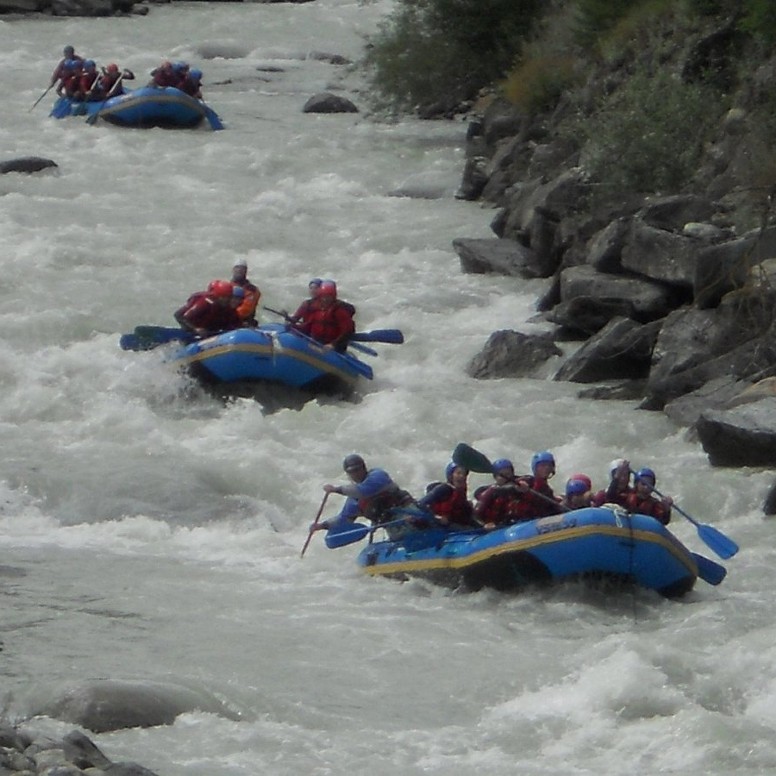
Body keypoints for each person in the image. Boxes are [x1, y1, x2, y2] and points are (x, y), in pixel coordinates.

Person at [311, 455, 417, 538]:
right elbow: (343, 520)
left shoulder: (378, 476)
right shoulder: (354, 500)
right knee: (397, 534)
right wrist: (321, 526)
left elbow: (365, 490)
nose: (356, 474)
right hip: (393, 526)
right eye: (352, 472)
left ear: (364, 468)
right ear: (348, 474)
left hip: (408, 510)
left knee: (416, 519)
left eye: (357, 470)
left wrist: (336, 489)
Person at [294, 280, 355, 351]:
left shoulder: (339, 310)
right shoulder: (315, 307)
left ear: (333, 296)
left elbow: (347, 331)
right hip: (317, 342)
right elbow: (308, 325)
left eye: (328, 296)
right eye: (323, 296)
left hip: (333, 346)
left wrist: (333, 344)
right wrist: (295, 327)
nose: (325, 299)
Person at [173, 279, 243, 337]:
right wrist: (195, 329)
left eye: (229, 297)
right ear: (218, 296)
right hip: (193, 332)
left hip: (211, 332)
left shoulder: (228, 308)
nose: (227, 300)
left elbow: (236, 324)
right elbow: (179, 315)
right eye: (224, 297)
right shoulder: (205, 302)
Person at [417, 462, 476, 530]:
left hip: (452, 523)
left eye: (464, 474)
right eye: (458, 473)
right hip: (436, 524)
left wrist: (483, 527)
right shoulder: (444, 489)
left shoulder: (461, 492)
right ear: (451, 475)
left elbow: (465, 516)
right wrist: (436, 517)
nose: (462, 476)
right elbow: (420, 504)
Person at [510, 451, 564, 520]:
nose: (547, 468)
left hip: (538, 520)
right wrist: (516, 488)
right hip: (522, 521)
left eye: (549, 465)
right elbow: (509, 488)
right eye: (543, 465)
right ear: (535, 468)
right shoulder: (528, 481)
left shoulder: (547, 490)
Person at [473, 458, 525, 529]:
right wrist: (484, 525)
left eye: (508, 474)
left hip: (518, 523)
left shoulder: (521, 484)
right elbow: (475, 515)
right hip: (497, 527)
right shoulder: (489, 492)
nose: (506, 478)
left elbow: (530, 479)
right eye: (502, 475)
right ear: (495, 477)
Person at [230, 259, 261, 326]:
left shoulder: (252, 290)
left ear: (246, 271)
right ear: (233, 269)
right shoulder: (227, 286)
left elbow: (245, 310)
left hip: (244, 322)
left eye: (242, 268)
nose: (239, 270)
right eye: (237, 267)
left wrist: (229, 317)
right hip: (226, 319)